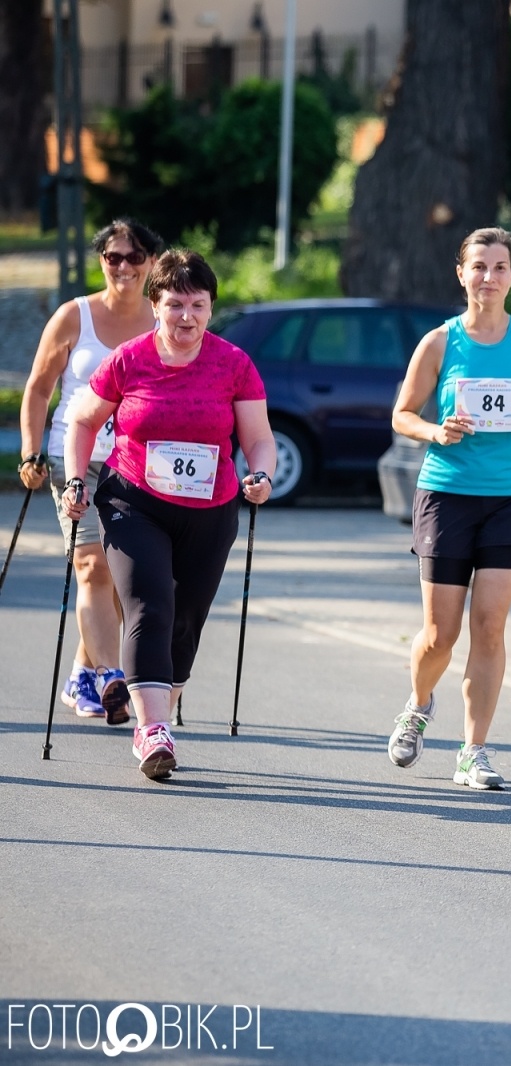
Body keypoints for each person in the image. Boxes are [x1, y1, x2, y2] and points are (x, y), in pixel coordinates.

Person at [61, 249, 276, 780]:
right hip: (133, 500)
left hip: (211, 508)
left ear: (210, 308)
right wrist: (72, 480)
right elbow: (82, 421)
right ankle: (151, 729)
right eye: (175, 303)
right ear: (155, 304)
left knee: (186, 618)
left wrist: (262, 476)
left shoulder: (233, 364)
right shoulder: (130, 359)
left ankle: (162, 703)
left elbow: (258, 439)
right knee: (149, 604)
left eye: (198, 305)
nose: (187, 316)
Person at [385, 227, 511, 790]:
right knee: (441, 633)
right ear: (461, 274)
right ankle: (416, 704)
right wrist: (436, 431)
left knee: (490, 626)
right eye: (478, 266)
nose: (489, 276)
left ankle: (473, 751)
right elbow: (402, 415)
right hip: (448, 494)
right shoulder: (439, 342)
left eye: (500, 266)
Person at [18, 219, 164, 725]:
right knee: (91, 565)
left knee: (123, 574)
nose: (124, 266)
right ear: (101, 260)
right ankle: (108, 678)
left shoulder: (162, 318)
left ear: (151, 262)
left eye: (135, 256)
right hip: (72, 455)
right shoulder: (73, 316)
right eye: (113, 257)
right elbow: (39, 388)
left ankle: (81, 671)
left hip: (137, 462)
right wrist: (31, 452)